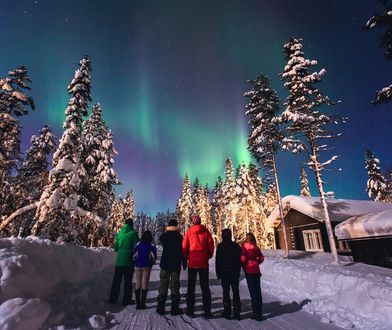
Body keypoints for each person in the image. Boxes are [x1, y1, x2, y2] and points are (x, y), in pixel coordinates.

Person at [182, 214, 214, 318]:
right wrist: (207, 256)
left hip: (192, 263)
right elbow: (211, 246)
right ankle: (207, 312)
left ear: (193, 222)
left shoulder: (189, 232)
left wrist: (188, 257)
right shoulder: (206, 231)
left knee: (191, 287)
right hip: (203, 263)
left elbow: (184, 247)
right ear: (200, 222)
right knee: (205, 287)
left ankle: (190, 311)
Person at [156, 219, 187, 316]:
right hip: (175, 264)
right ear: (176, 226)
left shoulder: (165, 236)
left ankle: (161, 308)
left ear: (169, 226)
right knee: (175, 285)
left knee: (163, 284)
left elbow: (161, 238)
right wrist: (184, 261)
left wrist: (168, 230)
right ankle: (174, 309)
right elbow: (182, 251)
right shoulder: (180, 237)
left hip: (165, 264)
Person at [109, 218, 139, 305]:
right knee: (128, 282)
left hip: (119, 261)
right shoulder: (133, 233)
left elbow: (116, 248)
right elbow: (136, 247)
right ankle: (126, 300)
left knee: (116, 281)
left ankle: (113, 299)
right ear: (132, 225)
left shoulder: (120, 233)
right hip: (129, 261)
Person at [215, 228, 241, 320]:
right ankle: (237, 312)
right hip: (234, 272)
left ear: (223, 236)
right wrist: (238, 271)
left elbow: (217, 261)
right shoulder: (236, 246)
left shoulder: (220, 246)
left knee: (226, 292)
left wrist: (218, 273)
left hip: (224, 272)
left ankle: (227, 312)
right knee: (235, 292)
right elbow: (239, 261)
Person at [241, 232, 264, 321]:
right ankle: (259, 312)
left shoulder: (244, 248)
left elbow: (243, 259)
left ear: (246, 239)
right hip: (256, 271)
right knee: (258, 292)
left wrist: (244, 266)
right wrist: (256, 263)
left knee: (253, 293)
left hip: (249, 271)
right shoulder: (256, 247)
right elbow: (261, 258)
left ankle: (256, 314)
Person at [133, 230, 157, 309]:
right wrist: (152, 262)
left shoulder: (139, 243)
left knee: (138, 283)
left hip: (138, 265)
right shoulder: (151, 244)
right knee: (145, 284)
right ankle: (142, 304)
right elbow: (154, 255)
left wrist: (135, 261)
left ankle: (137, 304)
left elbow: (134, 253)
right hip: (147, 266)